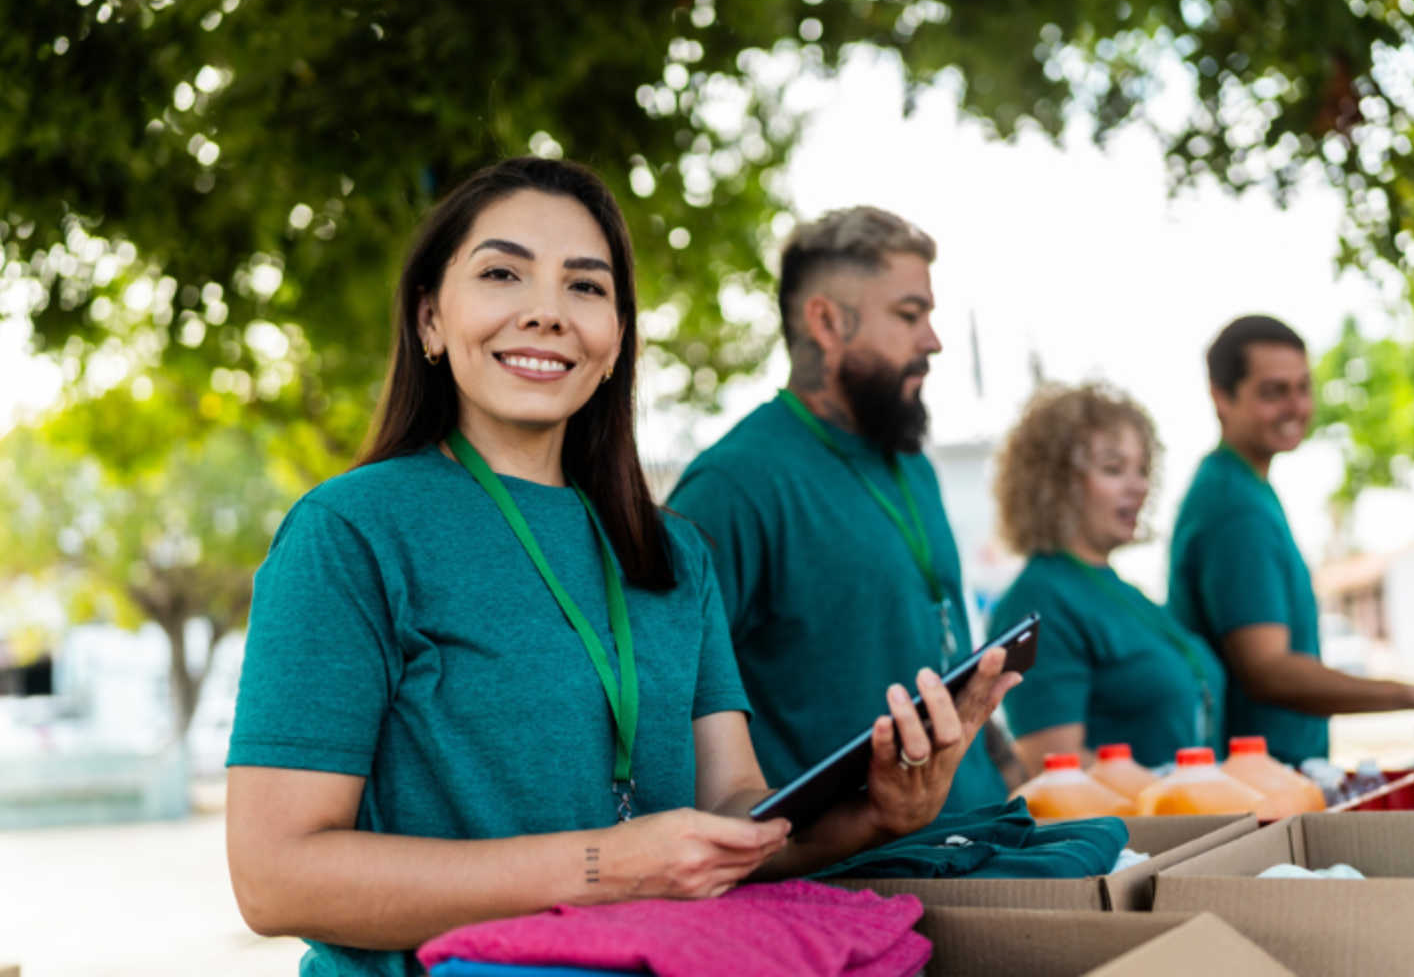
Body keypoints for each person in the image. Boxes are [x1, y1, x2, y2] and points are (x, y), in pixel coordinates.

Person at [224, 159, 1020, 977]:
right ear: (429, 318)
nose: (546, 313)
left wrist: (876, 815)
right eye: (502, 273)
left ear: (616, 340)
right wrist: (606, 867)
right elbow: (275, 879)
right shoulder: (348, 533)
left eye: (585, 287)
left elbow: (730, 816)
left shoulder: (677, 553)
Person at [666, 207, 1011, 814]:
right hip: (852, 879)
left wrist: (1010, 767)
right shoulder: (732, 485)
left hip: (981, 835)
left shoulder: (912, 465)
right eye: (909, 315)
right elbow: (672, 710)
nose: (932, 340)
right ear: (825, 320)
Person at [1168, 314, 1414, 766]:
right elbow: (1267, 671)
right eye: (1274, 391)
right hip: (1264, 784)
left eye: (1304, 387)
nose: (1296, 406)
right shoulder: (1234, 506)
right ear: (1221, 397)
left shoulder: (1244, 488)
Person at [987, 383, 1226, 772]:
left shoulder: (1125, 593)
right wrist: (1170, 796)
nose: (1138, 487)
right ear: (1053, 483)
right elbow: (1054, 764)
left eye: (1142, 469)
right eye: (1113, 469)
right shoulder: (1039, 597)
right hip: (1139, 830)